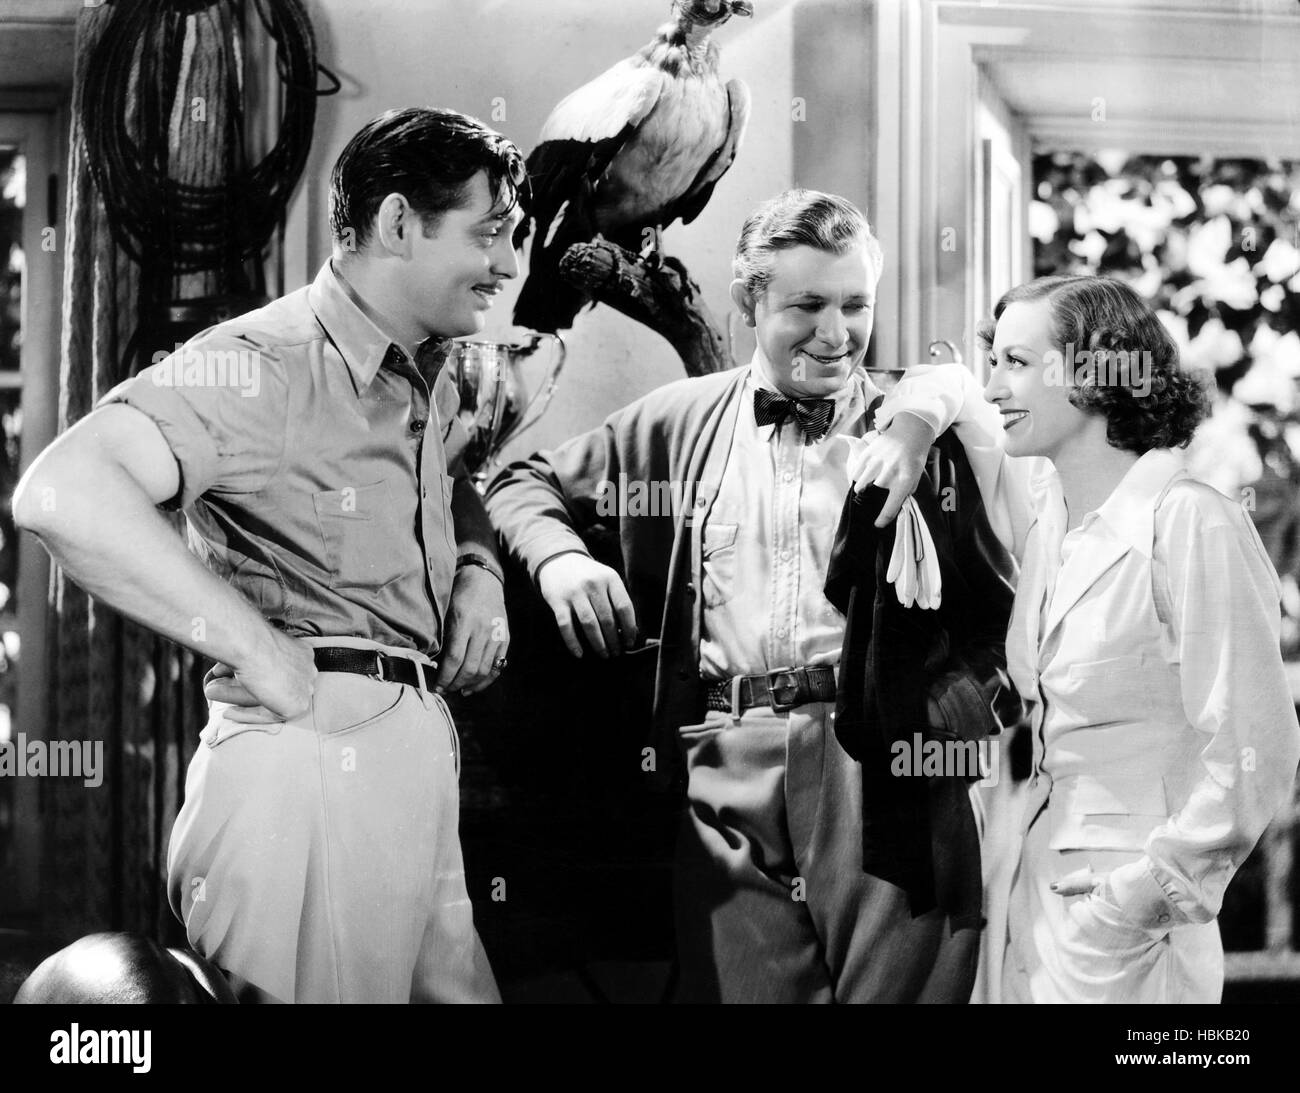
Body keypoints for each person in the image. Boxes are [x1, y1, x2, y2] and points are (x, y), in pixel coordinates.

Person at [13, 107, 525, 1003]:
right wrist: (256, 648)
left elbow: (442, 481)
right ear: (400, 223)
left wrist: (478, 568)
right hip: (311, 765)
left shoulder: (424, 376)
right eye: (489, 234)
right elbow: (64, 492)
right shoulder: (265, 364)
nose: (509, 264)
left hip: (405, 757)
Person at [485, 189, 1019, 1003]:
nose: (835, 333)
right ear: (747, 302)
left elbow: (999, 608)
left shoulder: (918, 429)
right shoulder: (678, 421)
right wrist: (561, 561)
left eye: (854, 305)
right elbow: (522, 482)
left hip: (878, 761)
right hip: (721, 755)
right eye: (807, 304)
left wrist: (950, 721)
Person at [938, 275, 1300, 1003]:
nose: (992, 384)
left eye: (1015, 361)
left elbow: (1255, 745)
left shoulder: (1191, 521)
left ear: (1097, 372)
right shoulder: (1049, 517)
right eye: (994, 359)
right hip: (1024, 897)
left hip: (1131, 924)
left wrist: (1141, 897)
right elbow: (934, 390)